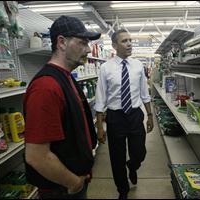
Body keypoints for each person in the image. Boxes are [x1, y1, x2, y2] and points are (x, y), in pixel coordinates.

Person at [23, 15, 101, 199]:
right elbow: (36, 156)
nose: (88, 49)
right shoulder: (46, 87)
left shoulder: (65, 78)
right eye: (82, 42)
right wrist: (73, 183)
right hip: (61, 189)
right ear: (62, 42)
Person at [95, 29, 154, 199]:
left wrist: (149, 116)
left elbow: (144, 93)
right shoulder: (105, 68)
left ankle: (133, 166)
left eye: (130, 40)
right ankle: (122, 190)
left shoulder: (137, 66)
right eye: (124, 41)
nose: (129, 44)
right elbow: (100, 99)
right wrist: (100, 127)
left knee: (139, 152)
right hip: (115, 117)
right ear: (114, 45)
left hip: (135, 115)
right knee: (116, 157)